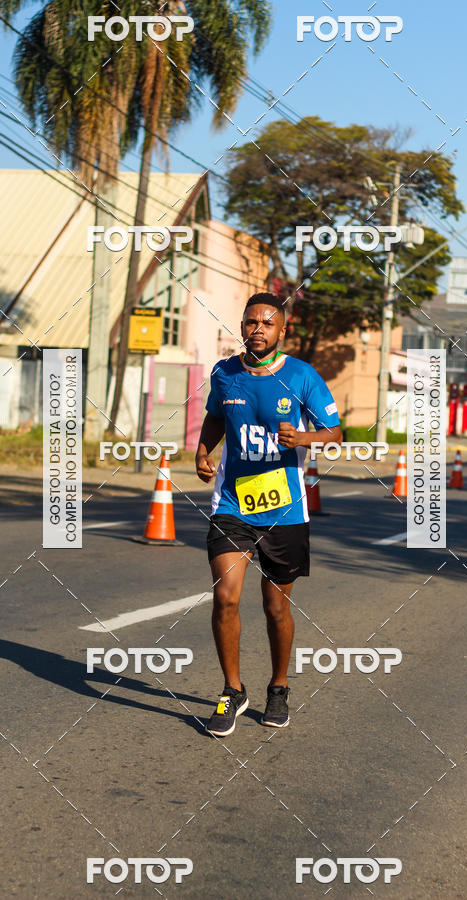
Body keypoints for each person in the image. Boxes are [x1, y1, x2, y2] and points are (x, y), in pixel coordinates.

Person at [195, 292, 342, 737]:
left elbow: (336, 432)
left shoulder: (302, 376)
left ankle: (278, 686)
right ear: (242, 326)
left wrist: (304, 438)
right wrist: (204, 452)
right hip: (233, 504)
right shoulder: (225, 373)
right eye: (251, 321)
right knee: (226, 597)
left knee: (276, 607)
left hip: (286, 508)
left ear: (282, 330)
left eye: (267, 323)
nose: (258, 329)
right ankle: (231, 691)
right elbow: (215, 418)